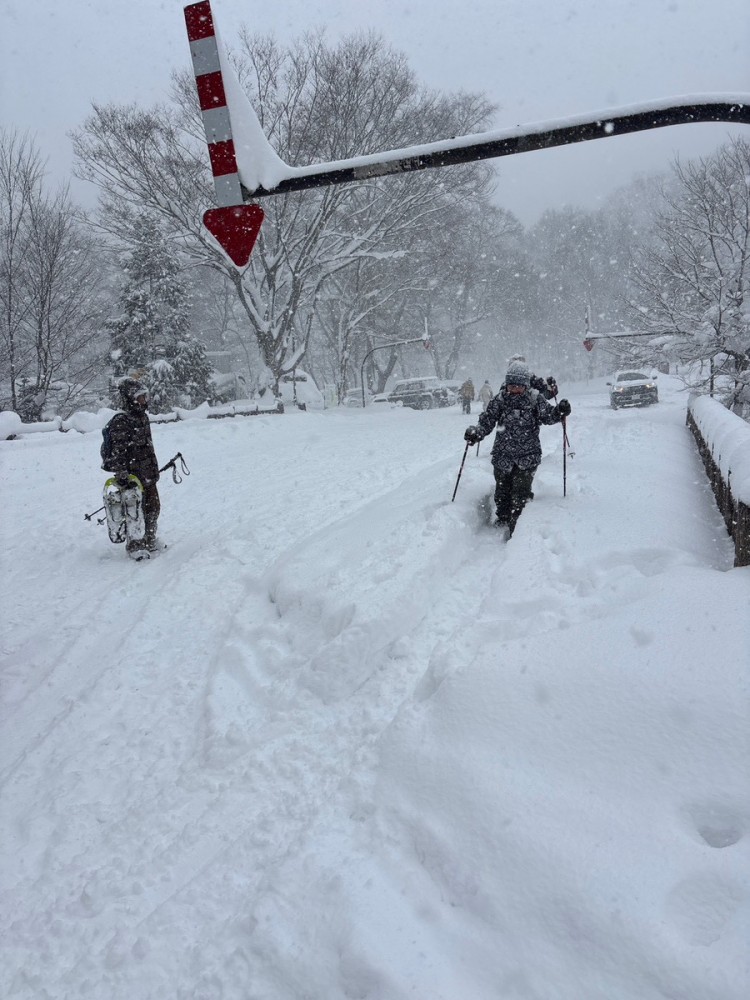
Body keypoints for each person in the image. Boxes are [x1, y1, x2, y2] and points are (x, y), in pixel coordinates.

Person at [464, 362, 571, 536]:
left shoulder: (535, 399)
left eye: (519, 386)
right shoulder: (500, 399)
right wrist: (477, 433)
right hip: (502, 455)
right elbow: (487, 420)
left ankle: (518, 527)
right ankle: (502, 518)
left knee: (520, 495)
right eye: (512, 385)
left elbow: (548, 416)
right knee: (502, 493)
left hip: (527, 456)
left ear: (525, 385)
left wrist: (560, 411)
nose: (515, 389)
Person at [105, 378, 162, 557]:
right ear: (130, 398)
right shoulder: (122, 420)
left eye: (145, 396)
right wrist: (122, 473)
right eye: (140, 397)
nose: (144, 400)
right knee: (134, 511)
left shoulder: (142, 417)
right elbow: (118, 450)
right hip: (132, 476)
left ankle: (150, 539)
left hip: (148, 473)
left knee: (153, 507)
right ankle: (136, 546)